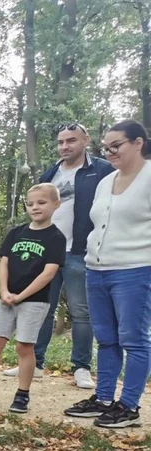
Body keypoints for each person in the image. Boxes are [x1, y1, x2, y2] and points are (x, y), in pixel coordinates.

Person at [6, 123, 113, 389]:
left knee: (81, 311)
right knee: (42, 308)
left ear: (86, 140)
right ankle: (35, 362)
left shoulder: (101, 170)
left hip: (80, 251)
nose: (65, 146)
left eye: (71, 141)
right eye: (61, 142)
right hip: (49, 250)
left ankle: (81, 367)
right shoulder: (50, 172)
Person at [64, 119, 151, 429]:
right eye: (106, 147)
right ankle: (102, 399)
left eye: (116, 145)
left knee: (135, 339)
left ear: (138, 143)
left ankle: (128, 406)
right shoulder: (105, 181)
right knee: (106, 338)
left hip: (135, 270)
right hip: (97, 268)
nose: (110, 152)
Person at [0, 184, 65, 414]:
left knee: (24, 346)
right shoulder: (16, 232)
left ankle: (22, 394)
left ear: (56, 204)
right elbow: (4, 263)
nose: (35, 207)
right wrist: (4, 291)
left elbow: (49, 273)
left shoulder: (56, 237)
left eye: (42, 202)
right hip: (6, 298)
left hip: (34, 301)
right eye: (31, 203)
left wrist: (21, 296)